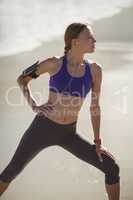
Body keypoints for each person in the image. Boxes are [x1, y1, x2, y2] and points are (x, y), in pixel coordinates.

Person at [0, 22, 120, 200]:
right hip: (42, 129)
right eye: (89, 37)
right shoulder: (53, 64)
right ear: (75, 41)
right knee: (12, 170)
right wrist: (34, 105)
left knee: (111, 166)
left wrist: (97, 142)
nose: (94, 40)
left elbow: (95, 107)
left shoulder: (95, 70)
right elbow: (22, 79)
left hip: (68, 134)